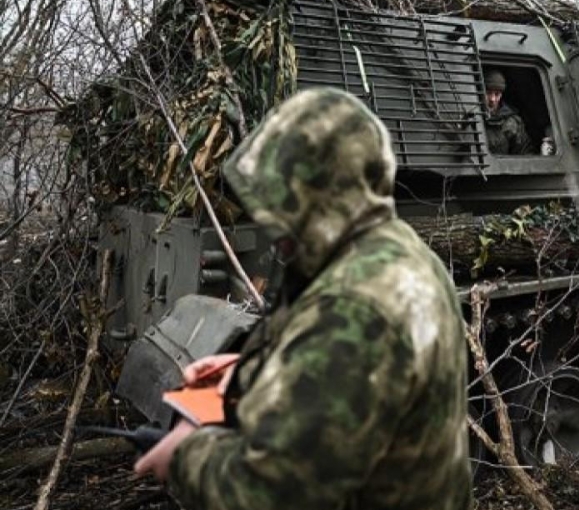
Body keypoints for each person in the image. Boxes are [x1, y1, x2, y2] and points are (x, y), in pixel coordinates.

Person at [134, 87, 472, 510]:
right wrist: (244, 372)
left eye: (282, 203)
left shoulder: (358, 304)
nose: (272, 225)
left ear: (322, 194)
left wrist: (184, 454)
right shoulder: (391, 251)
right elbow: (343, 380)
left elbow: (271, 493)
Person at [483, 68, 532, 155]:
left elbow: (524, 154)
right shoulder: (471, 116)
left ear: (501, 95)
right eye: (488, 93)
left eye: (497, 94)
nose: (492, 99)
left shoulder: (512, 123)